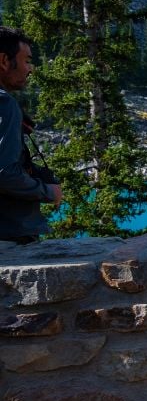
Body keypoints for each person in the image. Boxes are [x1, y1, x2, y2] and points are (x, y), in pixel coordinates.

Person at [0, 27, 61, 244]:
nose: (30, 69)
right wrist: (48, 191)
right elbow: (4, 172)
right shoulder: (5, 104)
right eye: (26, 61)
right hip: (10, 234)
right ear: (4, 61)